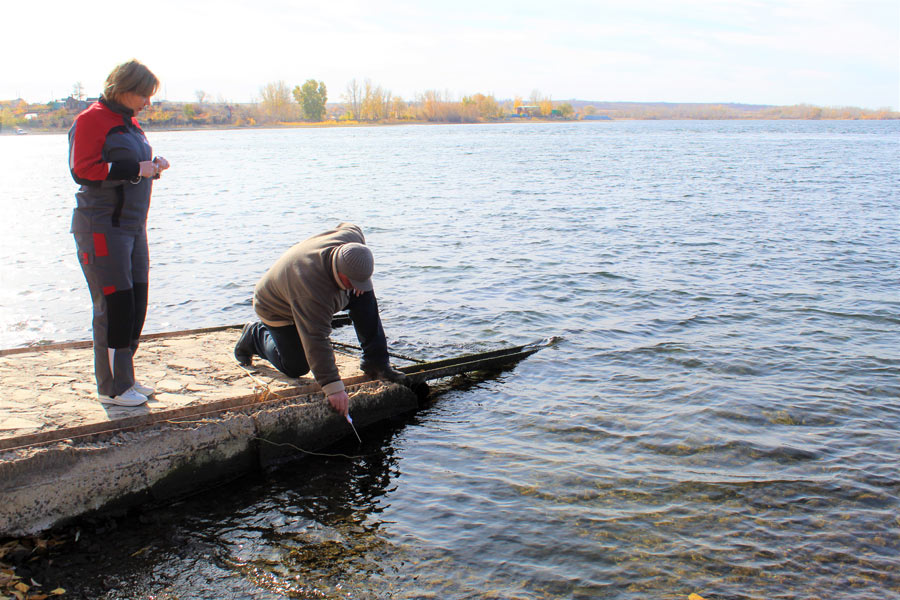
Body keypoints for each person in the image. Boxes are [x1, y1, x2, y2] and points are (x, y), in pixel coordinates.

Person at [68, 59, 171, 406]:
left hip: (132, 226)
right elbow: (82, 170)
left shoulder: (129, 124)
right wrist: (135, 167)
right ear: (124, 89)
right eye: (144, 95)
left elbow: (130, 170)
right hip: (102, 227)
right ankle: (111, 388)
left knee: (135, 305)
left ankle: (126, 379)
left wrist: (153, 168)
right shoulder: (91, 120)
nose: (148, 103)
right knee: (114, 307)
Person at [234, 223, 408, 416]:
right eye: (351, 281)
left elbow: (352, 226)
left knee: (365, 295)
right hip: (276, 307)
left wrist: (358, 281)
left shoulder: (352, 242)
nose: (355, 286)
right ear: (340, 272)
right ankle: (255, 335)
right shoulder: (312, 291)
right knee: (296, 366)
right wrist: (334, 388)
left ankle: (375, 362)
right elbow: (316, 339)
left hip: (304, 290)